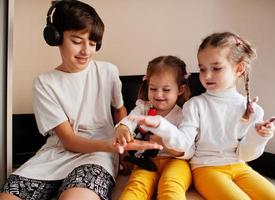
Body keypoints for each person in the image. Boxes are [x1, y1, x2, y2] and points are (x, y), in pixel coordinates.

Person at [0, 1, 161, 200]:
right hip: (56, 154)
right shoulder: (44, 83)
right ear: (56, 37)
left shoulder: (108, 72)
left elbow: (120, 111)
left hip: (99, 155)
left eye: (92, 44)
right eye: (77, 41)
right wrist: (113, 146)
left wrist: (122, 152)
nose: (86, 51)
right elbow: (67, 140)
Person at [131, 32, 275, 200]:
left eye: (216, 68)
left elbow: (245, 155)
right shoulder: (195, 105)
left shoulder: (253, 109)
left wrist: (259, 136)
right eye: (202, 69)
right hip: (206, 168)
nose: (206, 75)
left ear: (239, 68)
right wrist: (161, 124)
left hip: (240, 166)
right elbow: (183, 144)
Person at [115, 55, 192, 200]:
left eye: (166, 89)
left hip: (177, 162)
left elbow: (188, 149)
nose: (158, 94)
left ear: (180, 89)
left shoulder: (183, 115)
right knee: (136, 186)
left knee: (171, 185)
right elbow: (130, 120)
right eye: (153, 88)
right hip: (147, 161)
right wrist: (123, 127)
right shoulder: (142, 107)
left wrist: (167, 146)